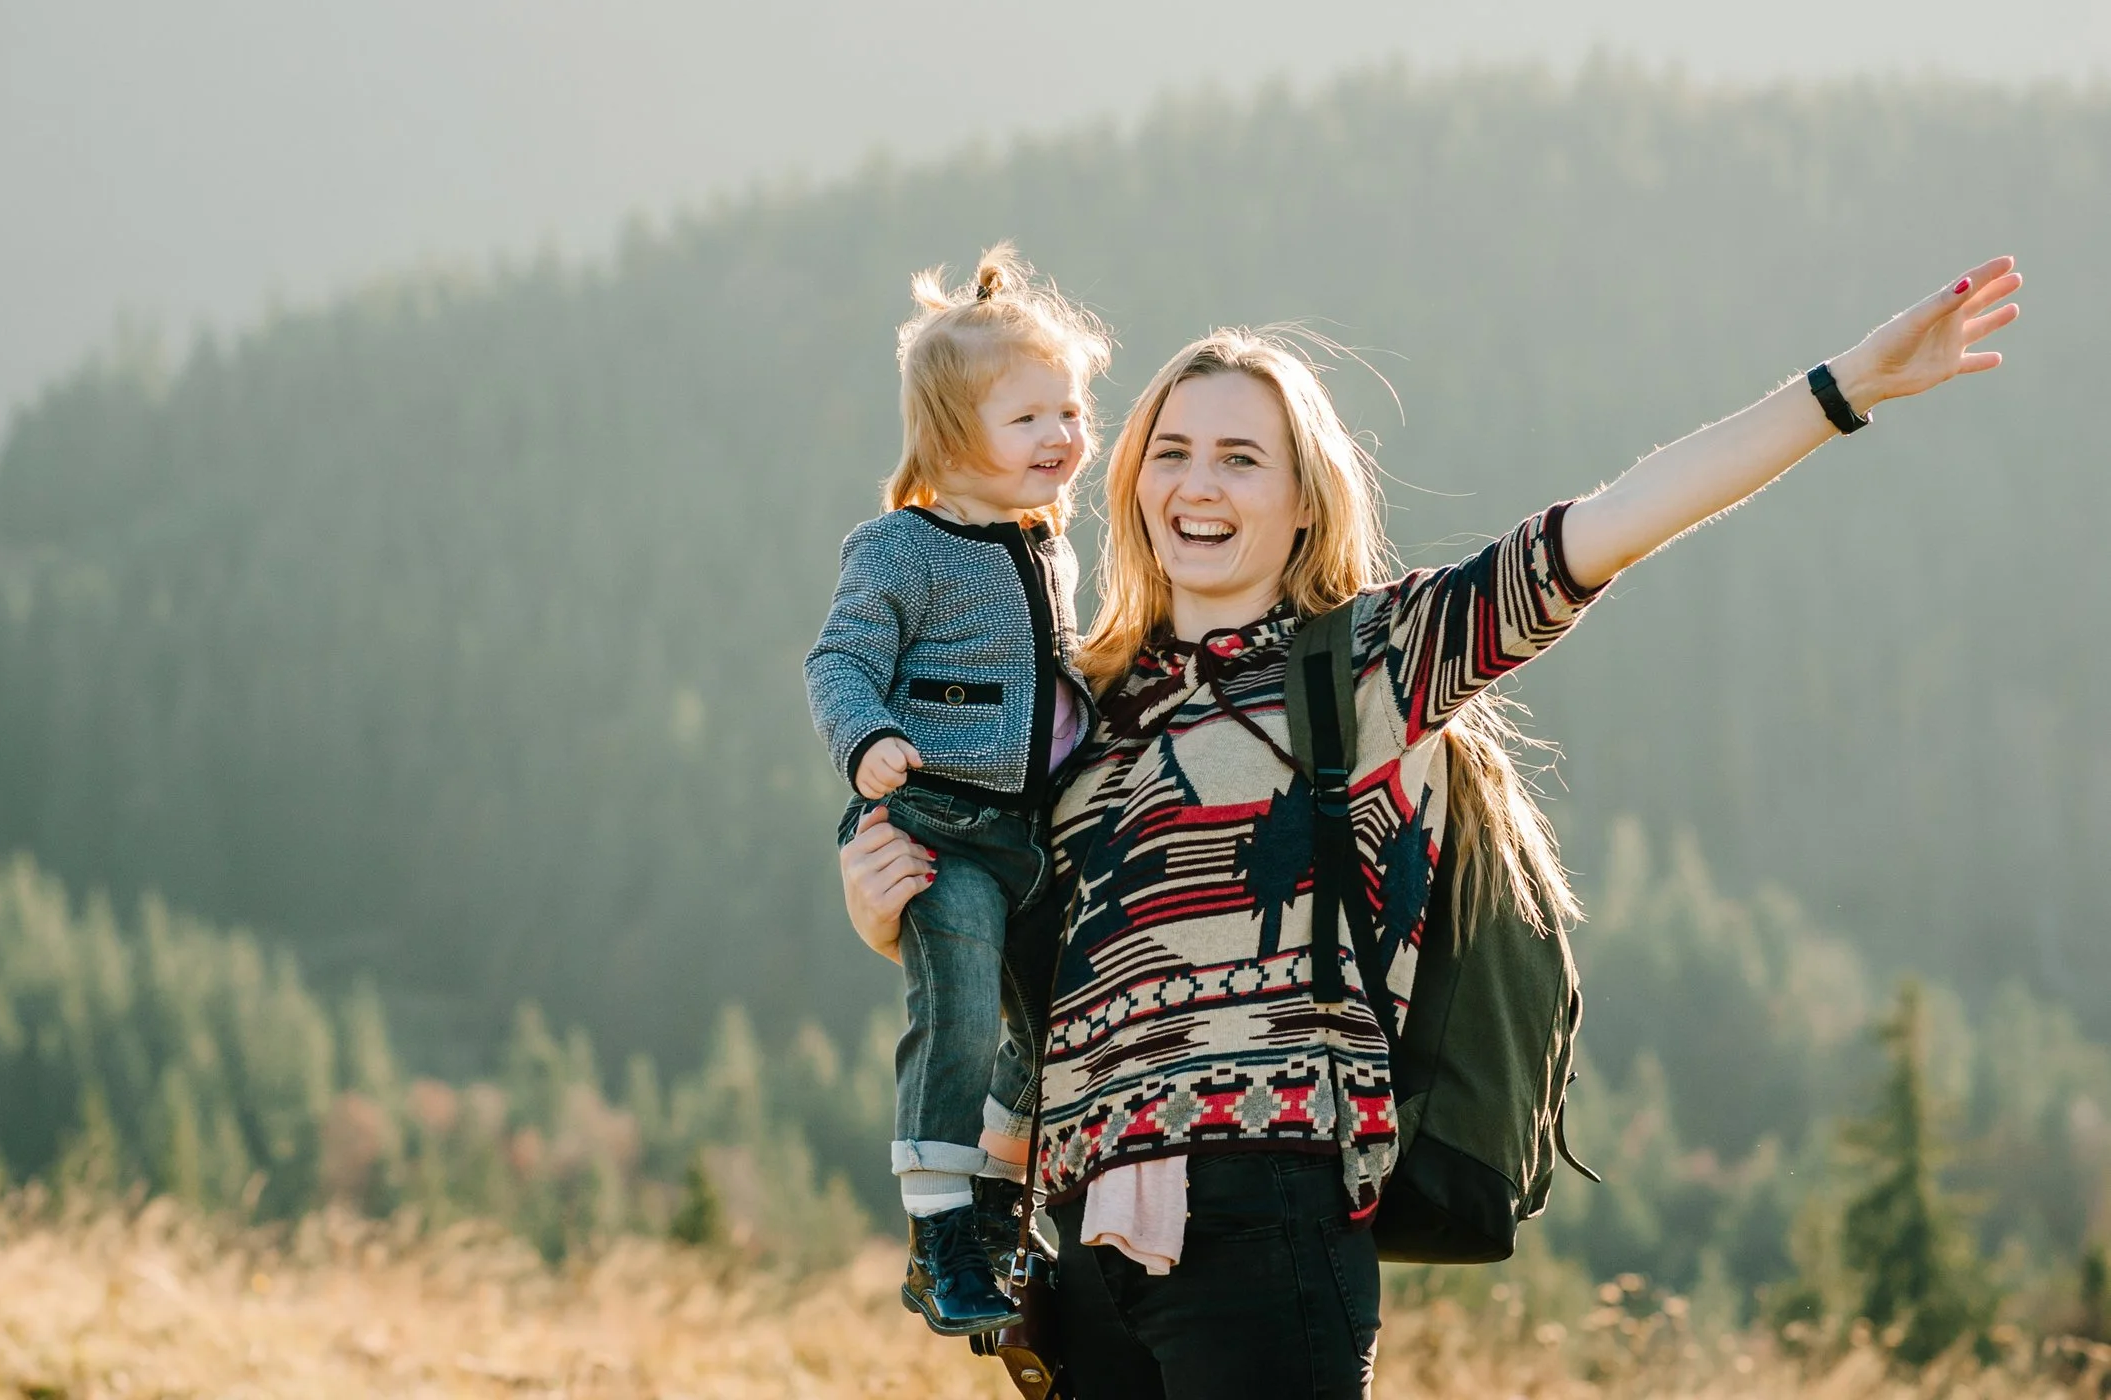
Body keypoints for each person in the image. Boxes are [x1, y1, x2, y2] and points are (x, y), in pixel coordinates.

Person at [840, 259, 2024, 1396]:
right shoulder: (1072, 711)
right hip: (1077, 1234)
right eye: (1173, 451)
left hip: (1269, 1209)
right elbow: (1017, 973)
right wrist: (886, 915)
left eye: (1240, 458)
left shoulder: (1368, 662)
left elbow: (1604, 527)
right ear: (1132, 481)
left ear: (1302, 501)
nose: (1196, 484)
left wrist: (1844, 389)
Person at [803, 243, 1112, 1335]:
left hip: (1034, 834)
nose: (1061, 436)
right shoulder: (901, 547)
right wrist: (868, 740)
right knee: (963, 1012)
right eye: (1027, 418)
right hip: (938, 825)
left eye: (1070, 411)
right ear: (947, 435)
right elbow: (836, 661)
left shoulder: (1049, 547)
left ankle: (990, 1196)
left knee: (1052, 1027)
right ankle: (940, 1232)